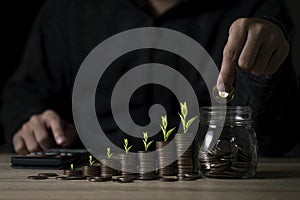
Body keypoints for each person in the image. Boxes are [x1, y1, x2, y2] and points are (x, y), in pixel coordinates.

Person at [1, 0, 299, 156]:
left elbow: (275, 139)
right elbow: (24, 93)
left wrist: (266, 73)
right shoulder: (66, 9)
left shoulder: (256, 11)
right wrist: (31, 120)